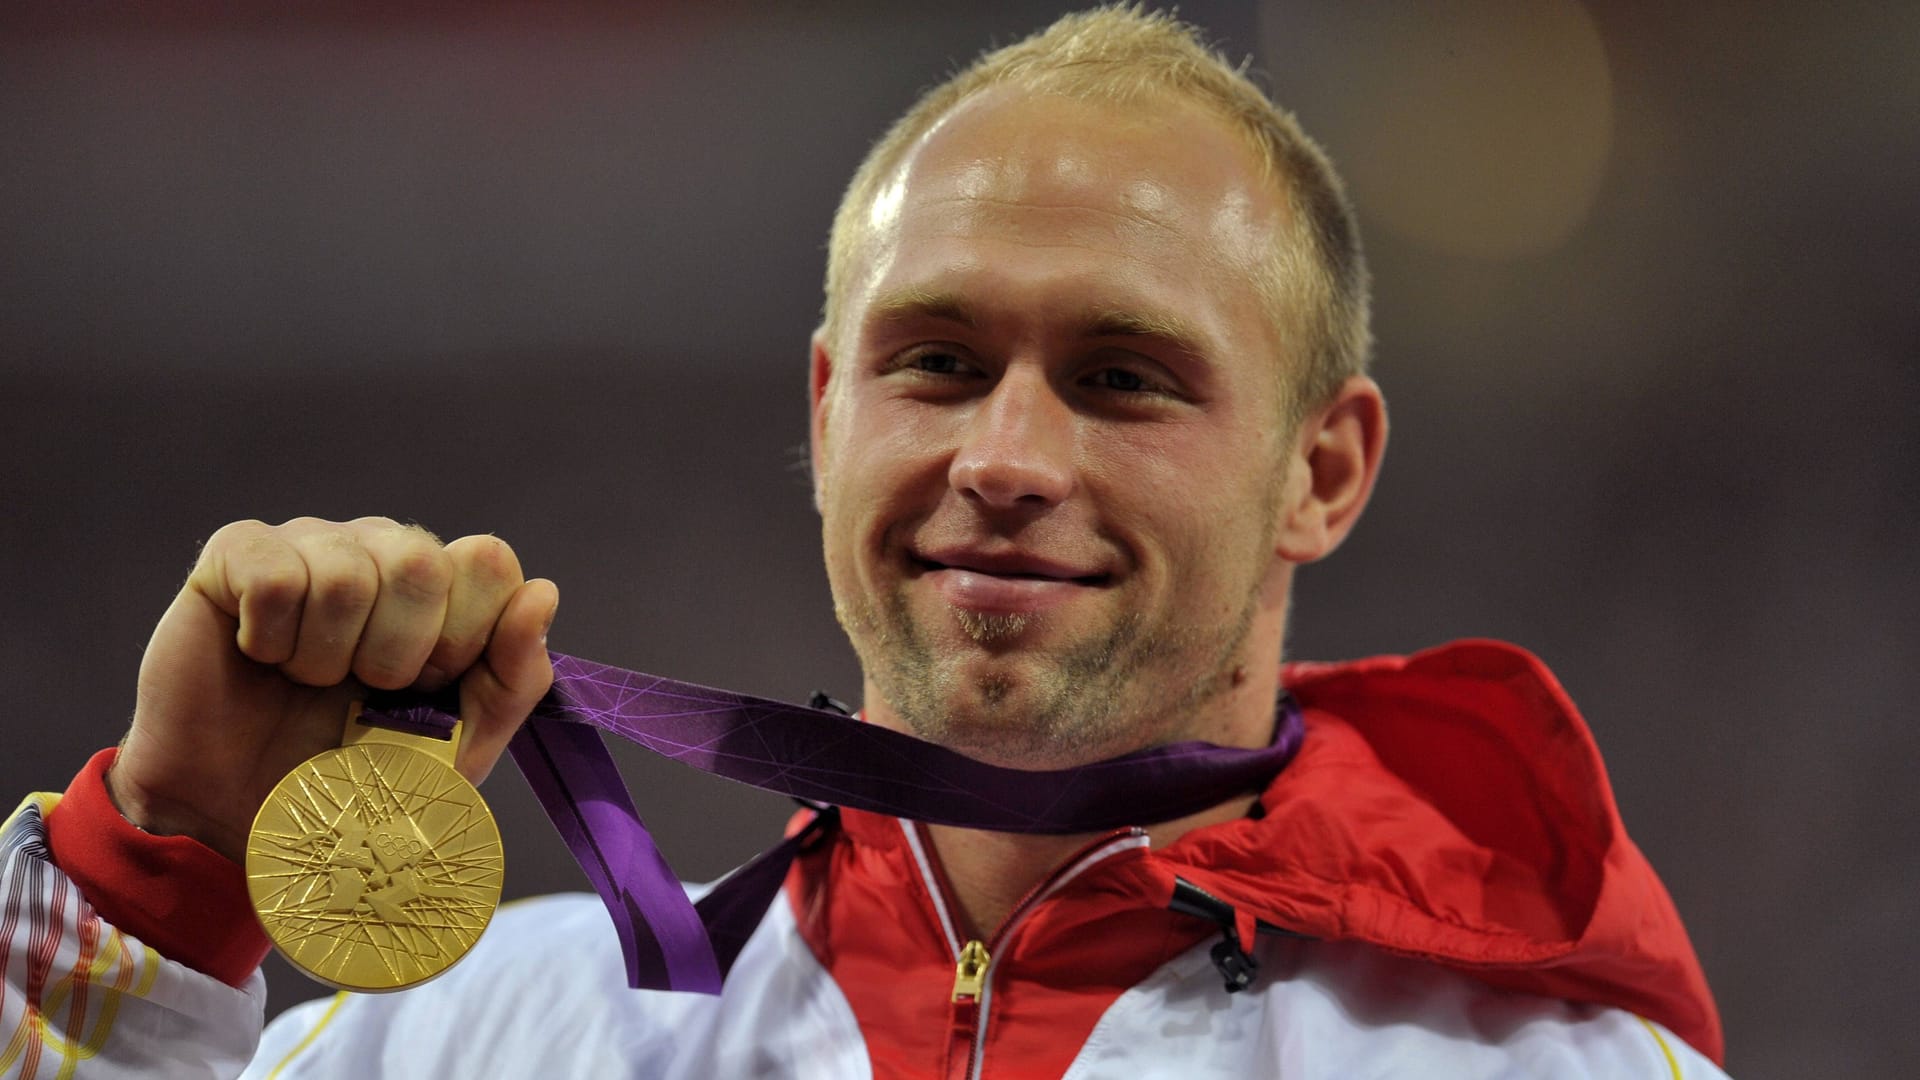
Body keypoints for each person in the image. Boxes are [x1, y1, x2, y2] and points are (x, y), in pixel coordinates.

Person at [1, 7, 1730, 1078]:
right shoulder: (460, 1041)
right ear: (829, 411)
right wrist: (156, 882)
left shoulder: (1552, 1072)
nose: (1006, 457)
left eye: (1125, 379)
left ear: (1322, 471)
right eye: (939, 363)